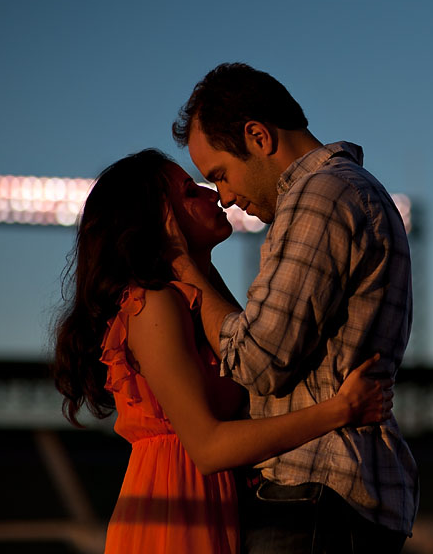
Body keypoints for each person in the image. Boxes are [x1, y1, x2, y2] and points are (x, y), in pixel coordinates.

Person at [52, 148, 393, 554]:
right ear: (158, 217)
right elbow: (210, 447)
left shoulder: (190, 297)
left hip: (206, 505)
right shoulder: (154, 304)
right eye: (189, 191)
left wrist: (187, 263)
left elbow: (248, 350)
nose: (212, 193)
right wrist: (342, 409)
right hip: (176, 517)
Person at [170, 63, 419, 553]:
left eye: (221, 175)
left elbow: (258, 362)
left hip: (315, 489)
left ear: (259, 136)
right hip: (340, 494)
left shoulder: (319, 195)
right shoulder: (354, 189)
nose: (224, 198)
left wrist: (190, 273)